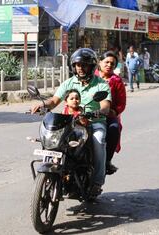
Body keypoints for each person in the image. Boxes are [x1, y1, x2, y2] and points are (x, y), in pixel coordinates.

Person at [31, 48, 111, 199]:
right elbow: (54, 101)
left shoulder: (101, 84)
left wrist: (100, 111)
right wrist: (42, 106)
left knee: (98, 140)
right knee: (54, 142)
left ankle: (97, 182)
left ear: (91, 66)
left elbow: (105, 105)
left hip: (93, 122)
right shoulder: (68, 83)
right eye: (77, 65)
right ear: (73, 66)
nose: (80, 68)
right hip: (71, 122)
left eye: (84, 65)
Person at [95, 51, 126, 175]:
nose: (109, 65)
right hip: (86, 113)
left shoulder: (116, 80)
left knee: (114, 128)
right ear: (100, 62)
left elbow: (121, 103)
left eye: (112, 63)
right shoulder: (91, 77)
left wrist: (113, 112)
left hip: (107, 116)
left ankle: (106, 160)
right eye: (106, 62)